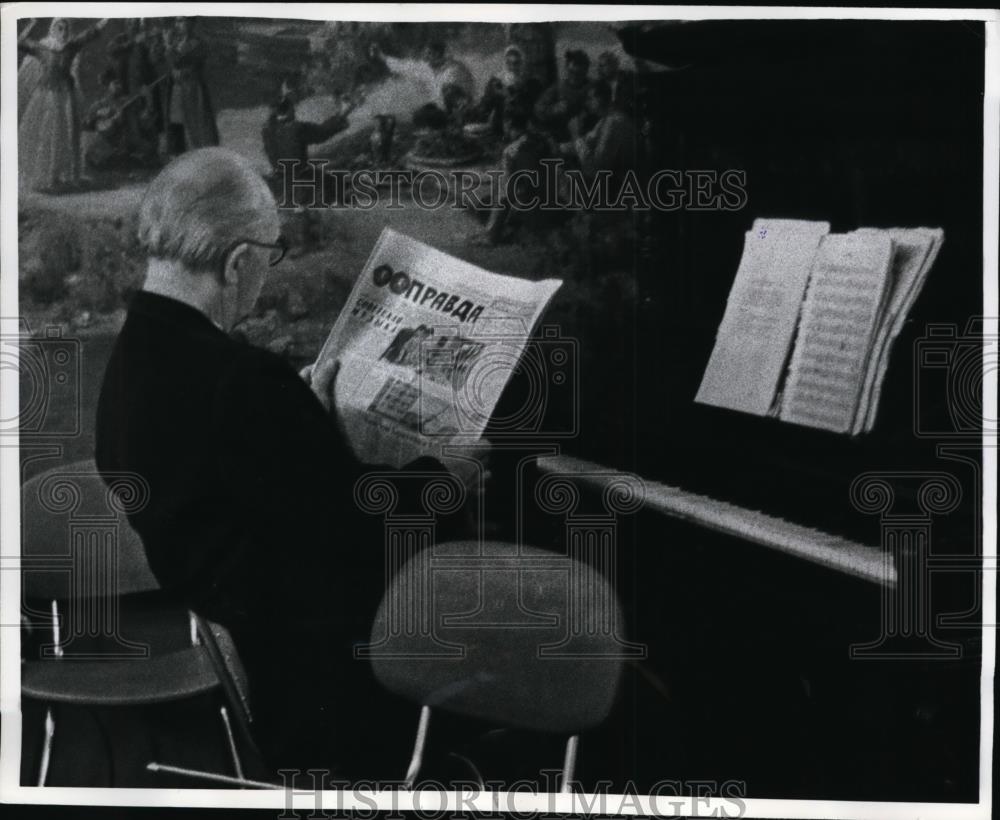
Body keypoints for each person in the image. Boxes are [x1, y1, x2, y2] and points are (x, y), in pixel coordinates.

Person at [94, 148, 481, 776]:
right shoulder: (240, 381)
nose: (266, 273)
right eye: (270, 256)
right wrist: (444, 477)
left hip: (259, 648)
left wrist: (303, 422)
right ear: (238, 261)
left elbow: (276, 488)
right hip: (323, 676)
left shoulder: (133, 363)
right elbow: (358, 523)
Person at [18, 17, 111, 192]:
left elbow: (91, 33)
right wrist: (31, 24)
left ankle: (62, 176)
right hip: (46, 95)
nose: (63, 32)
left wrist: (107, 17)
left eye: (66, 29)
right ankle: (47, 178)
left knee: (65, 134)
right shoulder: (42, 48)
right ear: (53, 30)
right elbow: (20, 42)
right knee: (48, 134)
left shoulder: (72, 46)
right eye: (59, 29)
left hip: (66, 96)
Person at [480, 106, 556, 245]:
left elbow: (506, 193)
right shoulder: (541, 140)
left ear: (508, 122)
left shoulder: (511, 151)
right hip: (555, 199)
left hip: (533, 205)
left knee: (498, 193)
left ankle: (491, 236)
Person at [371, 40, 475, 122]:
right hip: (441, 113)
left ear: (438, 54)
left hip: (461, 110)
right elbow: (402, 66)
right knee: (419, 114)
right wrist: (381, 55)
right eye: (426, 54)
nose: (426, 57)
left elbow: (463, 92)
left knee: (449, 90)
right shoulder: (426, 68)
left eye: (429, 54)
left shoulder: (455, 68)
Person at [560, 80, 636, 184]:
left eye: (590, 98)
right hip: (610, 181)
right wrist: (560, 147)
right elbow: (588, 141)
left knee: (561, 178)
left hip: (617, 186)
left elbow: (595, 169)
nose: (587, 103)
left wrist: (576, 135)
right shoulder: (605, 119)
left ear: (601, 98)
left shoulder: (614, 122)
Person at [82, 69, 156, 170]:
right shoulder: (98, 105)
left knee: (148, 149)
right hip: (105, 147)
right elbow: (85, 124)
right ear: (107, 85)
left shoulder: (129, 103)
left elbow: (145, 122)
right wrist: (99, 115)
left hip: (128, 145)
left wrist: (149, 99)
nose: (119, 86)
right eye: (115, 83)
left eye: (120, 83)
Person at [164, 17, 219, 153]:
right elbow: (170, 63)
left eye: (182, 21)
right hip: (178, 89)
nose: (179, 25)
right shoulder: (177, 43)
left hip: (193, 90)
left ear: (192, 23)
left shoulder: (198, 44)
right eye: (177, 21)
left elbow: (179, 62)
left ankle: (203, 154)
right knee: (177, 124)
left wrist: (168, 46)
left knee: (197, 125)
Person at [472, 45, 542, 135]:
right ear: (505, 63)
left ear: (522, 63)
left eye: (516, 63)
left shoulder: (532, 83)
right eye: (509, 63)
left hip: (523, 127)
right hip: (499, 128)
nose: (513, 67)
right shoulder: (496, 81)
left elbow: (534, 109)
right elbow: (486, 106)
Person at [533, 49, 593, 142]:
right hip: (562, 138)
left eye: (579, 74)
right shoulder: (558, 88)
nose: (574, 77)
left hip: (587, 137)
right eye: (571, 72)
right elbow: (538, 109)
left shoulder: (591, 89)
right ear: (566, 68)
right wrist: (554, 109)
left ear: (585, 72)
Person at [595, 50, 636, 115]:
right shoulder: (599, 84)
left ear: (614, 65)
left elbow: (628, 103)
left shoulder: (628, 80)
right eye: (598, 66)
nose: (598, 69)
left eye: (602, 66)